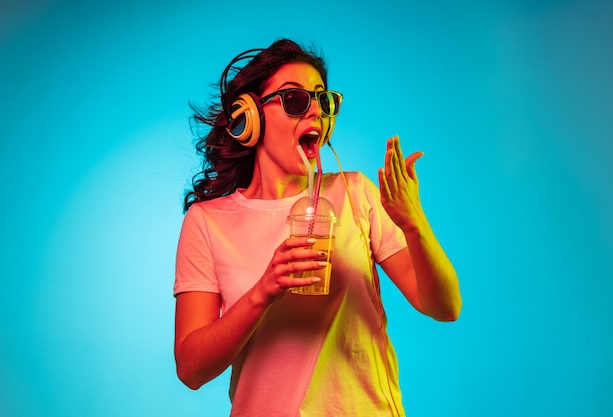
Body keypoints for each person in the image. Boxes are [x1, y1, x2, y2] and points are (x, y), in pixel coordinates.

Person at [173, 38, 462, 417]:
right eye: (294, 100)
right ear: (251, 117)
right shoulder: (208, 222)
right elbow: (191, 369)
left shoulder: (356, 192)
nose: (315, 113)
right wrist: (264, 291)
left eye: (323, 101)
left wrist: (414, 225)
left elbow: (444, 306)